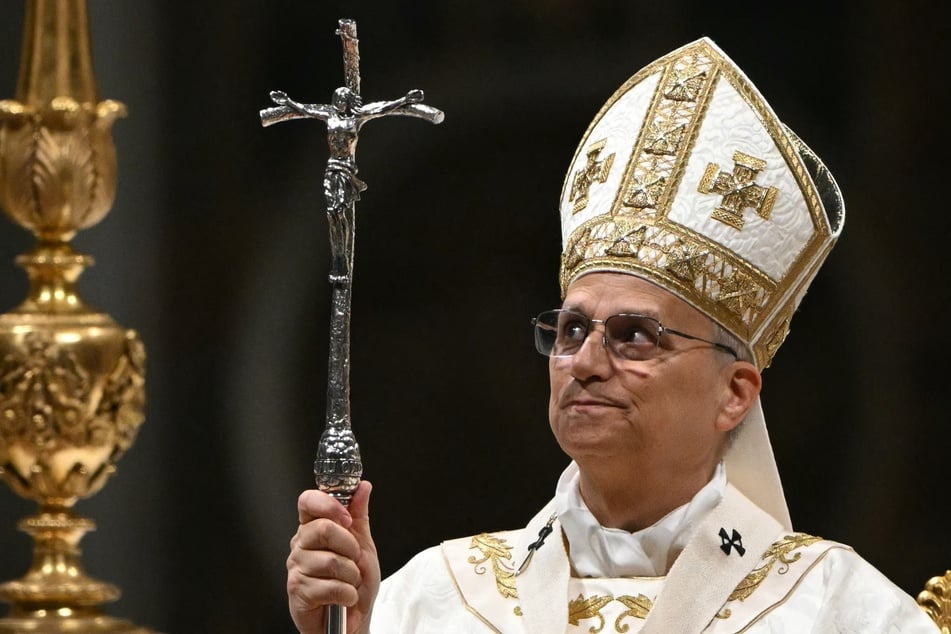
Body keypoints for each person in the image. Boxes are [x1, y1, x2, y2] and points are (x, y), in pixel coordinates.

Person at [286, 38, 938, 633]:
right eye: (570, 330)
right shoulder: (435, 598)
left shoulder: (832, 607)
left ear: (734, 393)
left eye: (634, 337)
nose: (586, 362)